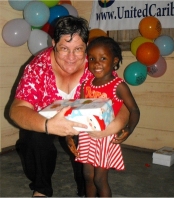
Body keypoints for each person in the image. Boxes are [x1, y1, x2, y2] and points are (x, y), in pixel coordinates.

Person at [9, 15, 130, 197]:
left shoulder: (96, 65)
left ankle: (84, 188)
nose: (71, 58)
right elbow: (17, 109)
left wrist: (114, 126)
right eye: (64, 48)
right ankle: (41, 188)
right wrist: (48, 125)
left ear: (86, 46)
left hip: (82, 125)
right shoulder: (38, 67)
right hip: (47, 120)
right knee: (32, 138)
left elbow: (123, 103)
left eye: (79, 49)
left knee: (89, 180)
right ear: (53, 43)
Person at [67, 36, 140, 197]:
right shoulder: (86, 85)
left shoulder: (118, 86)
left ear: (115, 61)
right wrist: (69, 135)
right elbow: (78, 111)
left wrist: (129, 129)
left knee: (100, 179)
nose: (96, 63)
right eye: (92, 58)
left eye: (103, 58)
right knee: (87, 176)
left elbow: (134, 110)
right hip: (87, 136)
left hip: (105, 137)